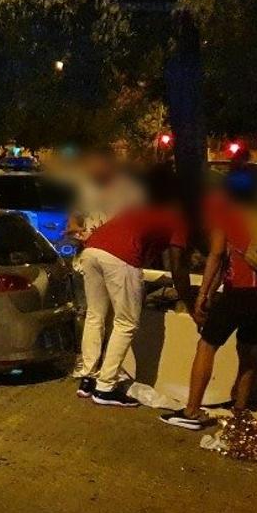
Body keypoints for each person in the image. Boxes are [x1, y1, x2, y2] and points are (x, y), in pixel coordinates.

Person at [159, 187, 257, 430]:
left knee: (206, 345)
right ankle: (240, 410)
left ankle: (191, 411)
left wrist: (203, 294)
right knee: (247, 350)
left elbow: (218, 255)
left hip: (240, 293)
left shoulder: (230, 216)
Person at [76, 165, 192, 406]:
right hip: (121, 257)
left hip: (92, 249)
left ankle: (88, 377)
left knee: (95, 315)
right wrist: (189, 300)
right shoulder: (175, 215)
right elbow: (178, 266)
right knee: (126, 322)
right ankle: (105, 387)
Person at [65, 147, 145, 241]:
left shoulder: (129, 190)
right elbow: (76, 212)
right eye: (91, 164)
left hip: (114, 248)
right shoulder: (86, 188)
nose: (93, 169)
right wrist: (74, 224)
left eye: (98, 164)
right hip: (88, 246)